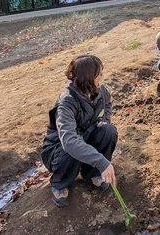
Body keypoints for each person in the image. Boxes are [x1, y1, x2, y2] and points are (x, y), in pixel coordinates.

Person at [41, 55, 117, 207]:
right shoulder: (67, 102)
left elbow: (108, 104)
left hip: (85, 135)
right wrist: (101, 161)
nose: (101, 76)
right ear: (88, 78)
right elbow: (69, 141)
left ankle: (93, 173)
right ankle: (60, 182)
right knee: (70, 148)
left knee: (108, 131)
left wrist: (104, 120)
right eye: (98, 74)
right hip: (60, 148)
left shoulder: (100, 91)